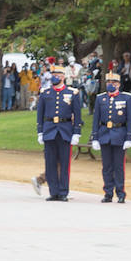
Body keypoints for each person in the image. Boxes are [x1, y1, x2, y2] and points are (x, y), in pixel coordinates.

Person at [34, 64, 82, 201]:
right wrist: (40, 132)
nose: (54, 77)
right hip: (49, 130)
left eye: (57, 75)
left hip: (65, 130)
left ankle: (63, 192)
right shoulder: (45, 93)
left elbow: (77, 115)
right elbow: (40, 114)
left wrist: (76, 132)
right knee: (50, 163)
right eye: (53, 75)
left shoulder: (72, 93)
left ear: (63, 77)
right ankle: (53, 191)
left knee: (64, 163)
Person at [91, 72, 131, 203]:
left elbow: (130, 119)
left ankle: (120, 193)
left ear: (119, 84)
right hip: (104, 134)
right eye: (109, 83)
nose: (111, 85)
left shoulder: (126, 98)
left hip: (119, 134)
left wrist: (129, 137)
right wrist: (95, 137)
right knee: (107, 166)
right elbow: (96, 119)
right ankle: (108, 192)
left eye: (114, 83)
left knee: (119, 166)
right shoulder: (100, 98)